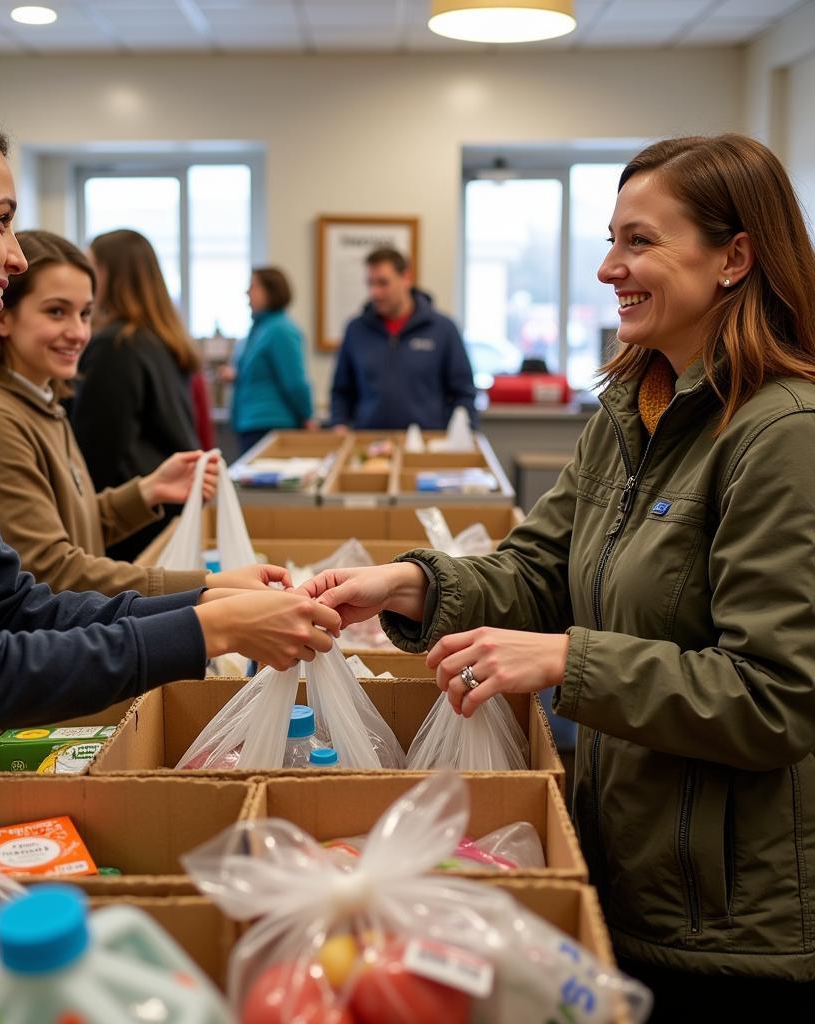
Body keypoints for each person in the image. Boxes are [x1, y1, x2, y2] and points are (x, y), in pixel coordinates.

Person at [301, 135, 815, 1016]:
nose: (611, 267)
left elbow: (776, 695)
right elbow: (540, 567)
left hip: (731, 919)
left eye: (640, 241)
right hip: (633, 861)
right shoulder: (631, 409)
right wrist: (406, 584)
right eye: (612, 240)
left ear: (735, 257)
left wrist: (563, 660)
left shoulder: (782, 434)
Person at [0, 86, 339, 884]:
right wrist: (212, 633)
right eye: (3, 220)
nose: (15, 256)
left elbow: (15, 601)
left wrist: (206, 603)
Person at [0, 229, 291, 597]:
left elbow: (74, 523)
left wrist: (148, 490)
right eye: (57, 312)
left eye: (86, 313)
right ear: (6, 316)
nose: (79, 332)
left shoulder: (43, 405)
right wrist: (205, 585)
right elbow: (49, 569)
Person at [70, 229, 201, 561]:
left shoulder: (115, 345)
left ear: (111, 275)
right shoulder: (162, 340)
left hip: (131, 522)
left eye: (90, 267)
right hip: (162, 510)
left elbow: (97, 452)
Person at [329, 247, 476, 432]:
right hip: (369, 445)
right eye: (370, 283)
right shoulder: (356, 330)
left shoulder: (443, 329)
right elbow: (342, 390)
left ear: (406, 278)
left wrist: (464, 434)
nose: (375, 292)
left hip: (426, 445)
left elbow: (463, 392)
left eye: (383, 283)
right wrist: (338, 424)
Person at [226, 266, 315, 456]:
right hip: (251, 423)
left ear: (271, 291)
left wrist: (307, 416)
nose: (247, 292)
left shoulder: (281, 330)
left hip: (273, 425)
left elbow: (295, 382)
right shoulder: (258, 329)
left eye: (253, 286)